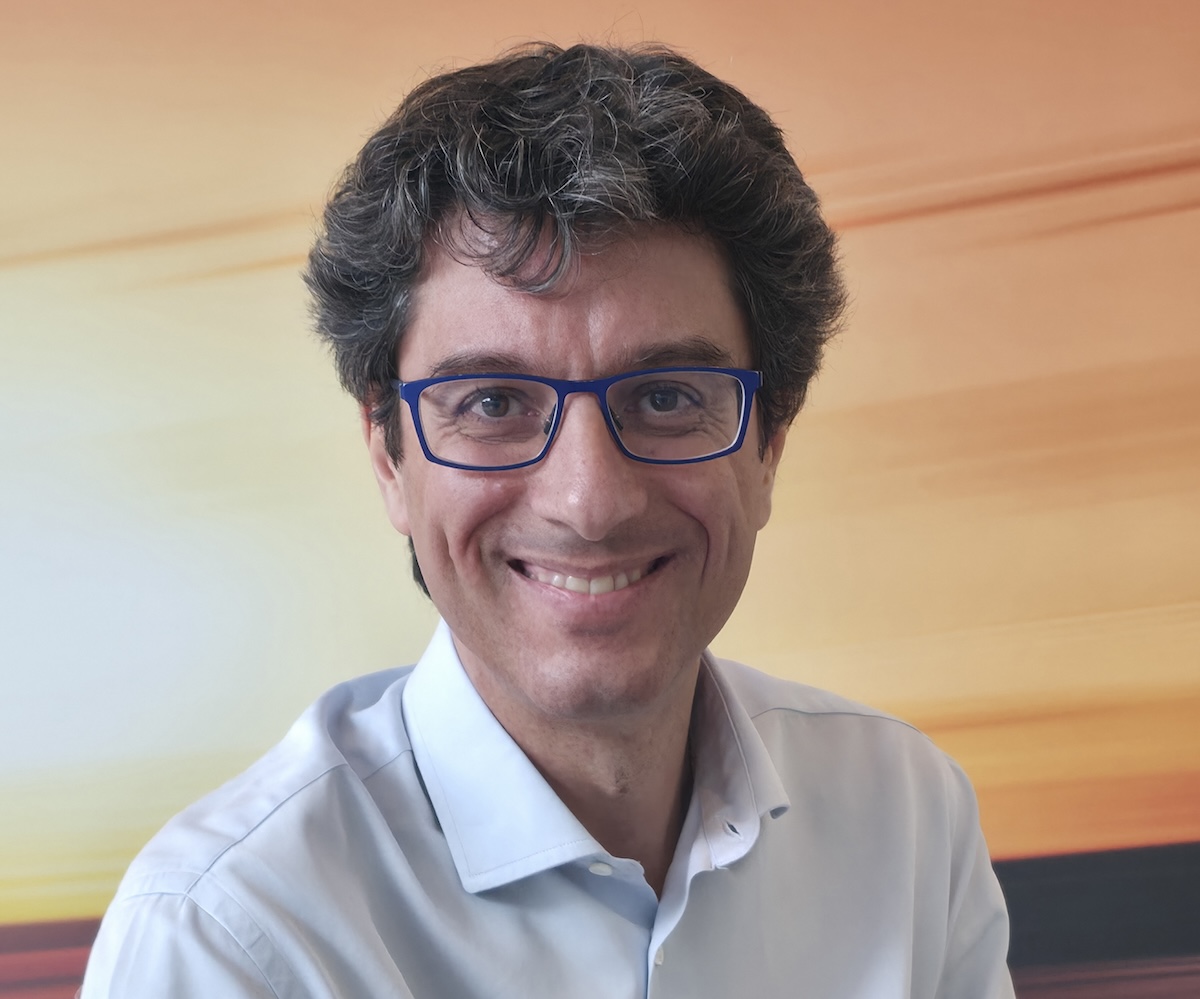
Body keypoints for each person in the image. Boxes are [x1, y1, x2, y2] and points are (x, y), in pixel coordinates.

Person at [81, 42, 1013, 998]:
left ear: (769, 443)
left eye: (666, 397)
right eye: (491, 403)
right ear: (388, 455)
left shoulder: (907, 820)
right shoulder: (227, 936)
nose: (590, 502)